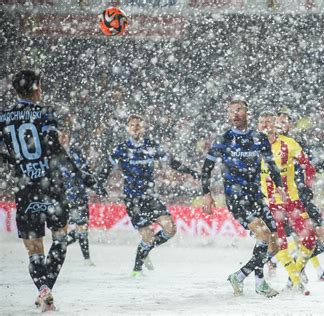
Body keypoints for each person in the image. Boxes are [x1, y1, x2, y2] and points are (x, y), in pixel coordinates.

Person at [0, 70, 94, 312]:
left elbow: (3, 153)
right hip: (51, 186)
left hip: (25, 189)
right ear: (36, 88)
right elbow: (54, 149)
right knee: (60, 239)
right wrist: (79, 174)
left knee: (34, 251)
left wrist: (16, 162)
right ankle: (47, 290)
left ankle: (43, 290)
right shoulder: (45, 113)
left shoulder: (4, 117)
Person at [201, 100, 286, 298]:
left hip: (257, 196)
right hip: (236, 198)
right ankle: (260, 283)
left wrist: (279, 185)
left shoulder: (259, 138)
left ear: (247, 112)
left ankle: (240, 276)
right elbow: (207, 168)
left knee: (275, 244)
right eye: (231, 111)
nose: (235, 114)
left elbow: (272, 165)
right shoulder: (224, 139)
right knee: (263, 235)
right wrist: (206, 193)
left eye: (239, 109)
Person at [97, 114, 199, 277]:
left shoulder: (151, 146)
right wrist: (99, 184)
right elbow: (105, 168)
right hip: (133, 199)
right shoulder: (122, 149)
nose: (136, 128)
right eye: (132, 125)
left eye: (139, 125)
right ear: (128, 128)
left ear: (144, 128)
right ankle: (136, 270)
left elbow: (171, 162)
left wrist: (190, 171)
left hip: (150, 197)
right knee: (148, 236)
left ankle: (146, 251)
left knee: (170, 228)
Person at [275, 108, 324, 282]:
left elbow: (314, 167)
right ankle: (291, 272)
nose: (280, 125)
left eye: (284, 122)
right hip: (287, 202)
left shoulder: (298, 145)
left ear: (290, 125)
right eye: (278, 122)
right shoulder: (268, 145)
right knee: (290, 240)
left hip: (305, 200)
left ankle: (298, 265)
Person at [257, 111, 316, 295]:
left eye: (269, 123)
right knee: (279, 243)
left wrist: (307, 183)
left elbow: (308, 166)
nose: (266, 126)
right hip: (270, 204)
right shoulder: (252, 148)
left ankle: (294, 274)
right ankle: (296, 281)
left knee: (310, 239)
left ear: (276, 125)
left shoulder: (289, 144)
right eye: (262, 123)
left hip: (292, 201)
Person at [58, 130, 97, 266]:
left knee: (82, 227)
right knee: (62, 229)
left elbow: (86, 171)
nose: (62, 138)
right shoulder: (53, 155)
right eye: (59, 135)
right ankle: (58, 247)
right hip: (62, 197)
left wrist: (92, 184)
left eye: (64, 135)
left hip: (79, 195)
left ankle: (86, 258)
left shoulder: (76, 152)